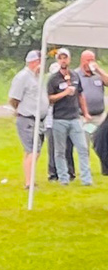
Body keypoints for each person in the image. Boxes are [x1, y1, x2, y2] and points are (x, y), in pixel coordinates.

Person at [46, 48, 93, 186]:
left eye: (65, 58)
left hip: (74, 118)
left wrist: (85, 113)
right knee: (60, 151)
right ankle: (63, 178)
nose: (63, 60)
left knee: (82, 148)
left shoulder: (74, 76)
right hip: (59, 119)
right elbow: (50, 98)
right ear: (57, 60)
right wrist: (65, 93)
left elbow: (80, 95)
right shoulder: (53, 79)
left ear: (69, 59)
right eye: (60, 58)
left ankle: (86, 179)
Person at [8, 50, 48, 189]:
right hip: (27, 118)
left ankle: (29, 179)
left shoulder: (38, 77)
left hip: (39, 119)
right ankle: (29, 183)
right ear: (34, 62)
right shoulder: (23, 77)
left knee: (31, 150)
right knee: (33, 150)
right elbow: (14, 98)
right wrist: (19, 111)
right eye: (41, 61)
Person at [45, 59, 74, 181]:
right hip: (51, 120)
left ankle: (70, 171)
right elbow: (49, 100)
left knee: (68, 146)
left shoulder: (67, 81)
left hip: (65, 117)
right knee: (53, 147)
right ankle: (53, 172)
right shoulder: (49, 85)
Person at [74, 50, 107, 136]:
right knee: (84, 144)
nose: (90, 63)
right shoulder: (75, 75)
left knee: (102, 143)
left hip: (99, 116)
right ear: (82, 60)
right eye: (88, 60)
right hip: (83, 117)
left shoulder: (98, 75)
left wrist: (99, 70)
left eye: (92, 60)